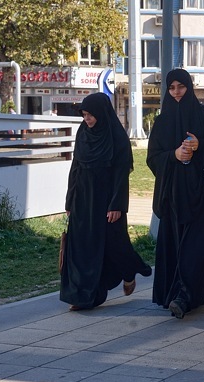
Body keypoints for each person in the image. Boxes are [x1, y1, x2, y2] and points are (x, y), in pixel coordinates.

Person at [147, 68, 204, 319]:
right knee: (178, 247)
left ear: (189, 87)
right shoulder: (162, 122)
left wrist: (201, 146)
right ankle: (183, 295)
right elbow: (153, 158)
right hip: (174, 197)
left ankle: (185, 296)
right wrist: (174, 155)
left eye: (181, 87)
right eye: (172, 88)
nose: (177, 93)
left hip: (202, 197)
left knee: (196, 248)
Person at [60, 92, 152, 312]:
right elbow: (75, 168)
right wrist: (70, 201)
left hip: (107, 201)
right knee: (82, 248)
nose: (87, 119)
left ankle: (129, 271)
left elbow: (121, 174)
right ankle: (83, 296)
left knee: (114, 244)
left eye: (90, 115)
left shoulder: (116, 137)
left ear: (102, 113)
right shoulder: (83, 133)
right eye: (84, 115)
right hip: (82, 199)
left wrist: (117, 205)